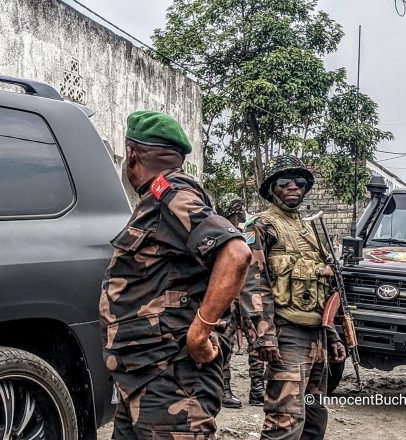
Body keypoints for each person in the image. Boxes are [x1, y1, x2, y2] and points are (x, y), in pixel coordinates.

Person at [100, 110, 251, 439]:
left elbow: (236, 253)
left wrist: (200, 332)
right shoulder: (159, 198)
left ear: (132, 155)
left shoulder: (171, 196)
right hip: (144, 377)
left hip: (172, 379)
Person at [239, 155, 347, 440]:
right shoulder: (260, 226)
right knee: (285, 423)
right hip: (286, 335)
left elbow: (326, 287)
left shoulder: (312, 228)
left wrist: (333, 335)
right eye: (284, 182)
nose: (293, 187)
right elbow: (252, 283)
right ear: (272, 188)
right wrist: (263, 335)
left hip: (317, 337)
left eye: (299, 182)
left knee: (314, 421)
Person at [216, 193, 266, 408]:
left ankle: (246, 390)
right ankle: (247, 389)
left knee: (231, 344)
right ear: (238, 211)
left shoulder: (219, 233)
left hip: (232, 297)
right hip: (237, 298)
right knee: (241, 343)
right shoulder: (241, 235)